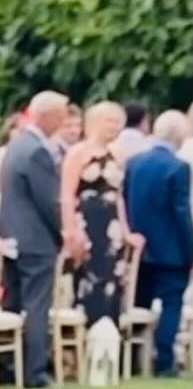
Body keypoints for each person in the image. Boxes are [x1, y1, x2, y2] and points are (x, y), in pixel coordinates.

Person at [0, 91, 68, 388]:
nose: (64, 121)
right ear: (48, 116)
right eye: (62, 115)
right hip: (36, 239)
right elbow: (48, 200)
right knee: (37, 305)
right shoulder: (37, 151)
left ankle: (6, 365)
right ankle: (35, 371)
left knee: (12, 303)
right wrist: (61, 232)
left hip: (12, 234)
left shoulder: (16, 145)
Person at [125, 112, 193, 377]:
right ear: (178, 136)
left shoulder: (133, 163)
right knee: (171, 306)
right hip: (170, 250)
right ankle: (163, 361)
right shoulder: (178, 168)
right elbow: (180, 213)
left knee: (139, 304)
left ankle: (132, 359)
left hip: (140, 249)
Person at [61, 100, 136, 327]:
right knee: (89, 277)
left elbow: (120, 195)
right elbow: (66, 194)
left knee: (113, 279)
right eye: (108, 121)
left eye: (117, 122)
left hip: (112, 225)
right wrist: (71, 231)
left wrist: (126, 231)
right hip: (88, 222)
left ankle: (109, 333)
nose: (113, 127)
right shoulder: (78, 153)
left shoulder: (118, 154)